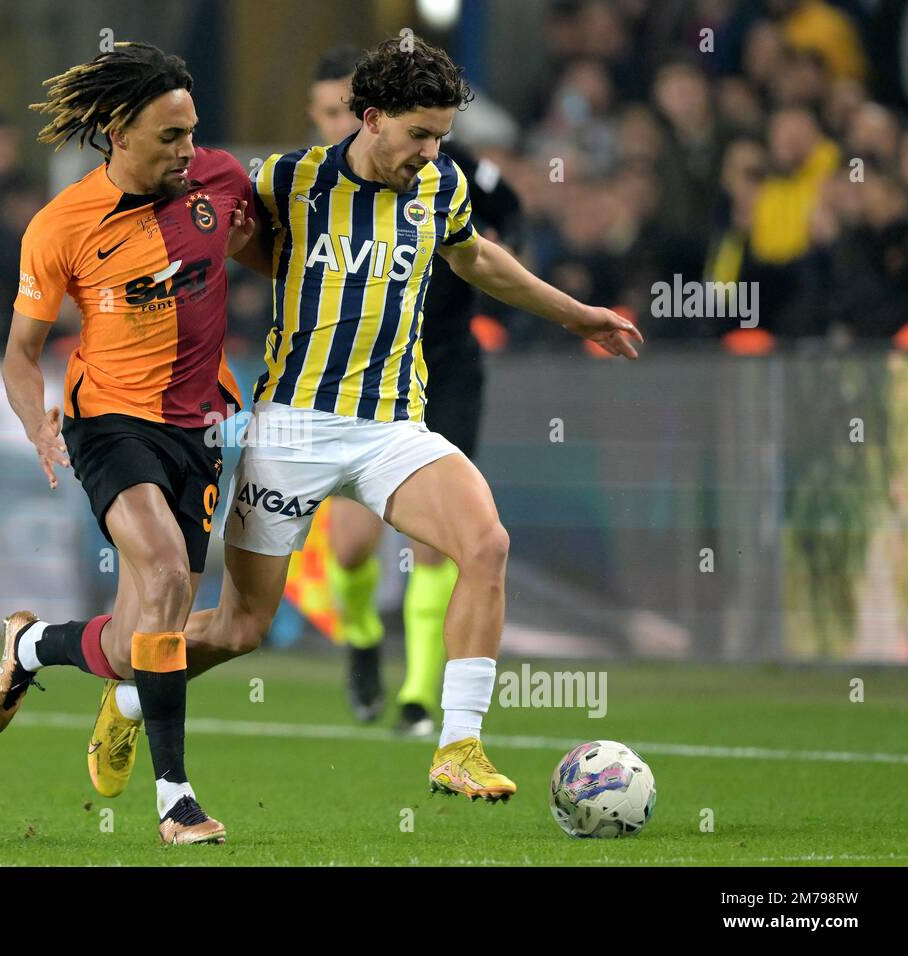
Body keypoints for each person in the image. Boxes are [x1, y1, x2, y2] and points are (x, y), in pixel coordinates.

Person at [74, 35, 642, 811]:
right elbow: (216, 241)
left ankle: (458, 745)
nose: (431, 151)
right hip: (294, 429)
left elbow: (475, 259)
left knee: (486, 544)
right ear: (371, 119)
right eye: (419, 134)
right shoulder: (287, 180)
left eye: (441, 135)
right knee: (241, 628)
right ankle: (133, 698)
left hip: (392, 428)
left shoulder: (439, 186)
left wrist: (579, 316)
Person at [0, 42, 253, 846]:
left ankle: (30, 644)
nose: (187, 150)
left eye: (192, 132)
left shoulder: (220, 180)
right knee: (168, 570)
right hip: (109, 423)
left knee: (142, 646)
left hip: (200, 426)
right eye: (170, 136)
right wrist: (38, 421)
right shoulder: (60, 225)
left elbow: (262, 249)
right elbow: (21, 352)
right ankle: (177, 800)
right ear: (117, 133)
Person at [301, 45, 525, 736]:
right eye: (332, 112)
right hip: (357, 381)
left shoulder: (445, 176)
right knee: (350, 549)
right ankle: (363, 638)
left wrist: (486, 289)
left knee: (445, 543)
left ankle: (420, 698)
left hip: (444, 368)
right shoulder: (306, 183)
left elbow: (506, 208)